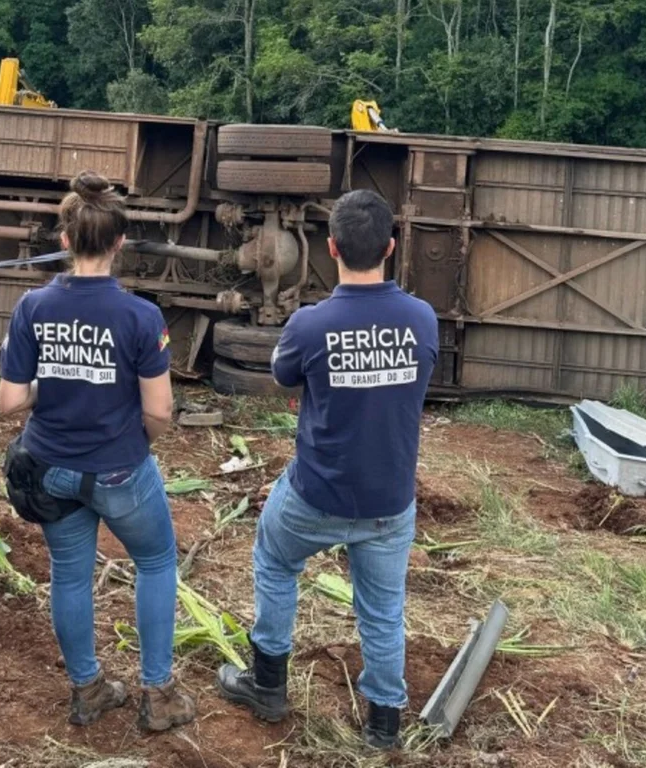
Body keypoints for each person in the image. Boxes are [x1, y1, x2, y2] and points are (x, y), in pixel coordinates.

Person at [216, 190, 438, 750]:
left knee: (273, 557)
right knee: (383, 613)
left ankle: (268, 684)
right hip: (389, 502)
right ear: (389, 247)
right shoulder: (422, 320)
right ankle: (384, 728)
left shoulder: (311, 326)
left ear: (332, 247)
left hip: (316, 495)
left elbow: (285, 377)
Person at [0, 170, 195, 732]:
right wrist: (137, 448)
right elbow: (159, 411)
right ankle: (157, 696)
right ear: (119, 243)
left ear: (65, 240)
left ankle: (87, 690)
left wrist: (51, 384)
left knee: (69, 574)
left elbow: (9, 402)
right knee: (155, 561)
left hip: (50, 469)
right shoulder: (141, 317)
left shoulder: (32, 306)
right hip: (119, 470)